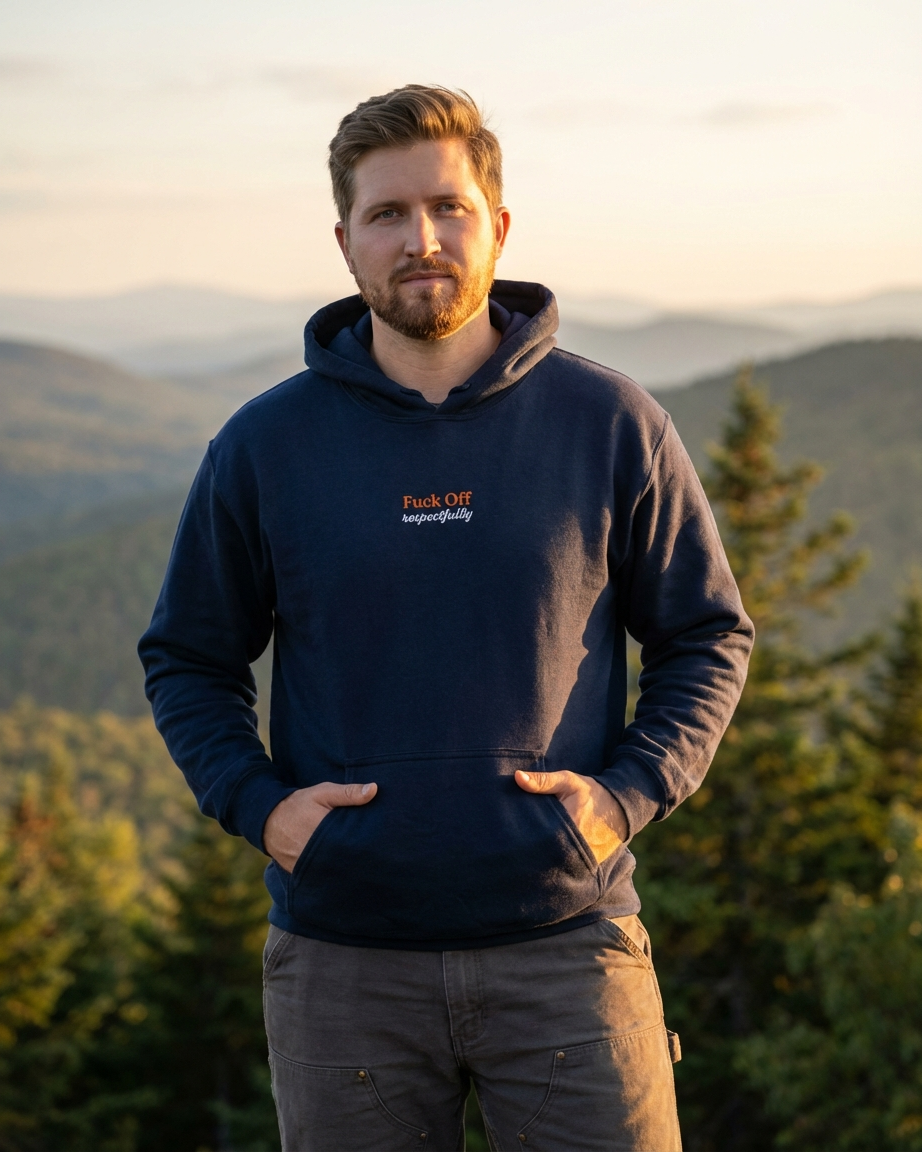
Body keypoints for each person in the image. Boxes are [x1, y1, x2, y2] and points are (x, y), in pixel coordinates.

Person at [139, 84, 753, 1152]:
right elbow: (188, 658)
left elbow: (706, 635)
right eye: (385, 215)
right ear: (344, 242)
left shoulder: (609, 422)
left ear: (497, 225)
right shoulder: (264, 446)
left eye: (446, 207)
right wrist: (260, 807)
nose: (419, 239)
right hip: (342, 967)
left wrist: (623, 798)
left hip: (570, 948)